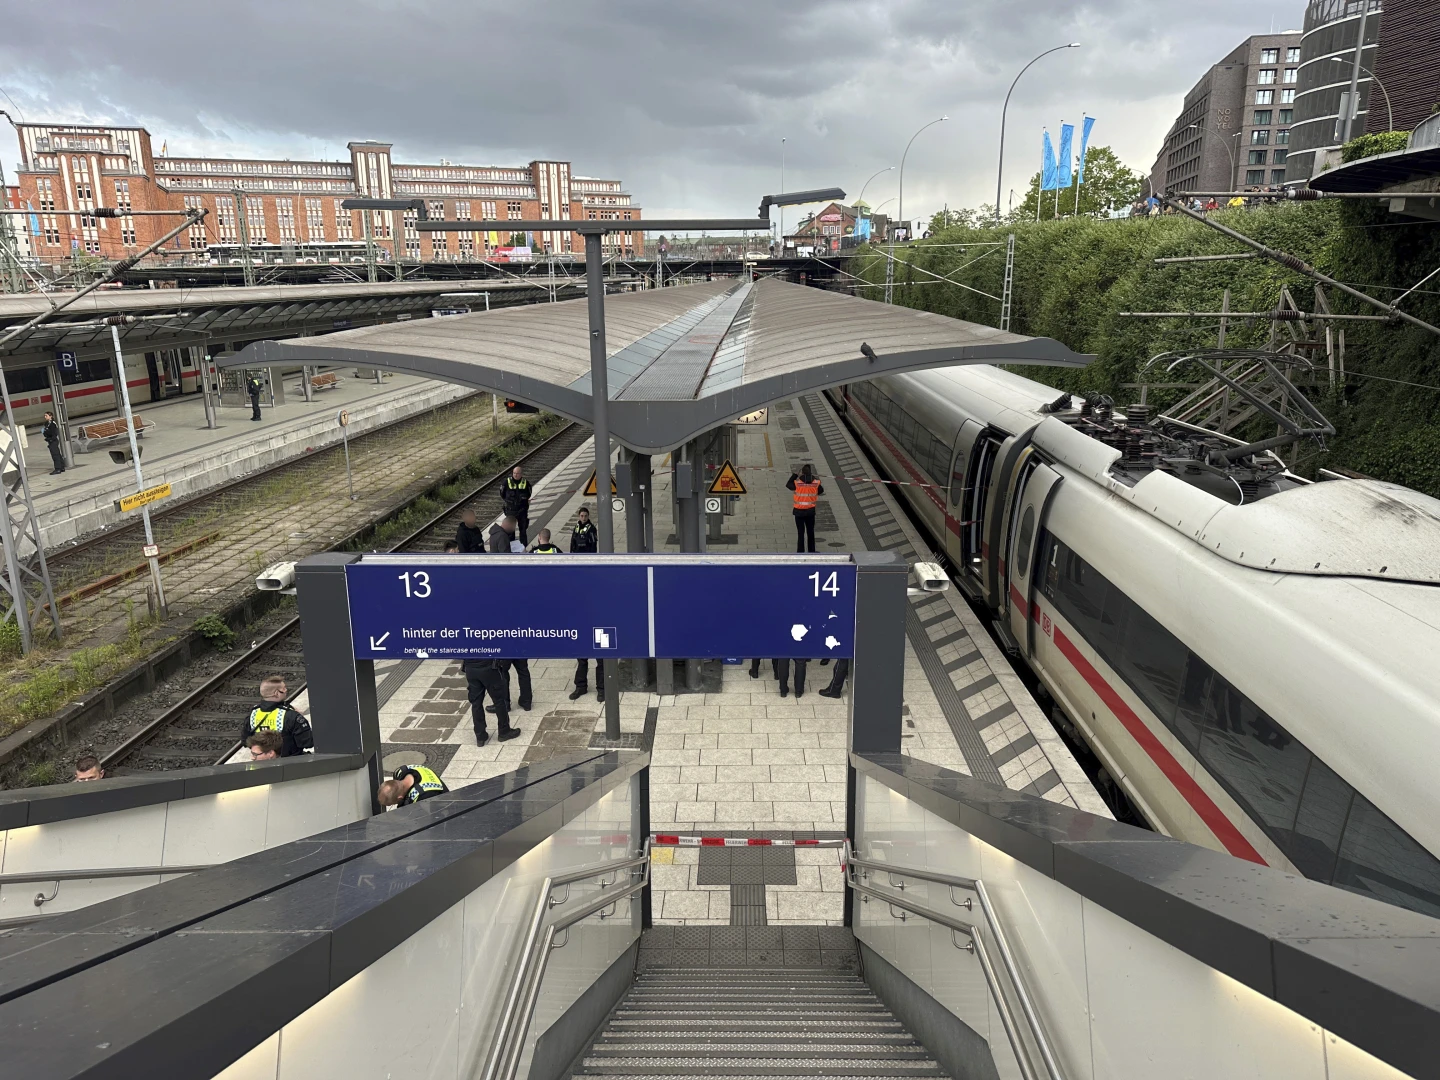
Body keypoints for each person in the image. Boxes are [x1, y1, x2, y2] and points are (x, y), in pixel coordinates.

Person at [240, 675, 313, 757]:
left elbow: (245, 741)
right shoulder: (290, 716)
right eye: (283, 688)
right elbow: (307, 742)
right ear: (276, 693)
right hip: (289, 763)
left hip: (262, 763)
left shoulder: (252, 715)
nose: (286, 690)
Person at [462, 658, 521, 746]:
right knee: (499, 701)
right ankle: (504, 731)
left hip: (470, 668)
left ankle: (480, 736)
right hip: (488, 667)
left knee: (476, 703)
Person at [377, 763, 449, 808]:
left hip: (444, 805)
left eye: (391, 804)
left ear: (400, 798)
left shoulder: (422, 797)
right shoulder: (400, 772)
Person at [787, 465, 823, 553]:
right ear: (810, 472)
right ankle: (811, 551)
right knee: (810, 532)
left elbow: (788, 485)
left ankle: (800, 552)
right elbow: (821, 491)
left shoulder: (797, 483)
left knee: (800, 533)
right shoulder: (815, 483)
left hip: (799, 512)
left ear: (802, 473)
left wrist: (795, 475)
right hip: (810, 512)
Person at [502, 465, 531, 544]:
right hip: (511, 510)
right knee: (510, 531)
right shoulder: (506, 482)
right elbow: (502, 493)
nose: (515, 475)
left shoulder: (525, 483)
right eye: (514, 473)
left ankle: (523, 547)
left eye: (517, 473)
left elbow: (529, 493)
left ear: (521, 474)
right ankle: (511, 548)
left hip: (522, 510)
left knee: (523, 530)